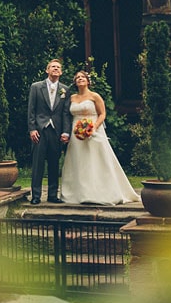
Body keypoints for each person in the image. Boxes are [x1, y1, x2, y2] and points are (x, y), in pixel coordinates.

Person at [60, 71, 140, 205]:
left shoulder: (94, 96)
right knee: (79, 161)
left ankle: (102, 192)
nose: (80, 79)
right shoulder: (72, 98)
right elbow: (67, 115)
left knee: (96, 160)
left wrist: (93, 128)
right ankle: (79, 193)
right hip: (76, 133)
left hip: (94, 130)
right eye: (77, 78)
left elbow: (102, 114)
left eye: (82, 77)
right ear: (75, 82)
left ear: (87, 81)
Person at [26, 59, 72, 204]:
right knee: (38, 164)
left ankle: (52, 195)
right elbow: (31, 110)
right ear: (47, 70)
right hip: (40, 129)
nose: (55, 69)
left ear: (61, 72)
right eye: (53, 67)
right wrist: (32, 129)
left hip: (56, 131)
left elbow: (65, 113)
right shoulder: (36, 87)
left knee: (54, 164)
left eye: (58, 67)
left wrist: (66, 132)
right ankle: (36, 196)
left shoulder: (65, 89)